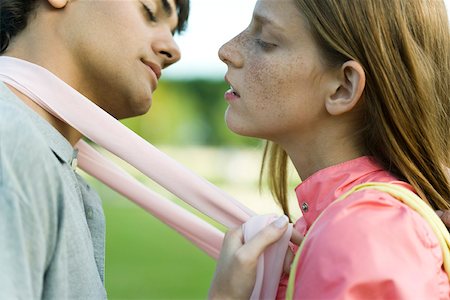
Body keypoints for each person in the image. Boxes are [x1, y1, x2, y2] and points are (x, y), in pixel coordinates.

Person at [209, 0, 450, 298]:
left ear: (342, 87)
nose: (227, 50)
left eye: (266, 40)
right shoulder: (346, 224)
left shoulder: (361, 233)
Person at [0, 0, 189, 298]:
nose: (173, 51)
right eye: (150, 11)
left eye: (174, 31)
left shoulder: (42, 150)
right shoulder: (12, 143)